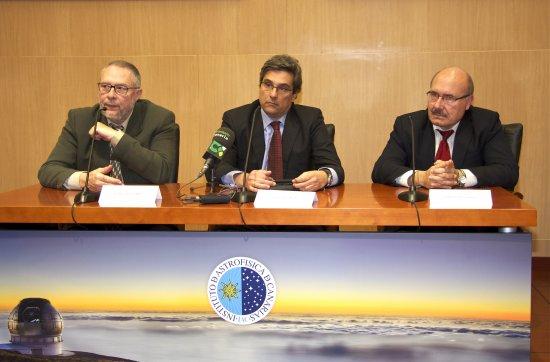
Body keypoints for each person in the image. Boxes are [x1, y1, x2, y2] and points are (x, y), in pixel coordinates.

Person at [38, 60, 178, 192]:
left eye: (120, 88)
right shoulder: (80, 120)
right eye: (105, 87)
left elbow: (164, 172)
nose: (110, 95)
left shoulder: (159, 119)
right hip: (93, 210)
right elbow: (48, 170)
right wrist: (84, 179)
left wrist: (115, 136)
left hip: (144, 210)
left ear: (137, 94)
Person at [372, 66, 518, 190]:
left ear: (468, 102)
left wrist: (457, 176)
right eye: (434, 95)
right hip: (418, 217)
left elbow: (507, 172)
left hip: (469, 218)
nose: (437, 105)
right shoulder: (408, 124)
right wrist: (421, 178)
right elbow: (381, 170)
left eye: (449, 98)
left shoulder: (486, 123)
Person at [214, 54, 344, 192]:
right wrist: (241, 178)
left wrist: (324, 176)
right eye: (268, 85)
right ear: (260, 85)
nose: (273, 94)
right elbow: (215, 166)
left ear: (294, 95)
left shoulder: (311, 119)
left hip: (297, 204)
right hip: (251, 203)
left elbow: (336, 169)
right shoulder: (234, 119)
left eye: (283, 88)